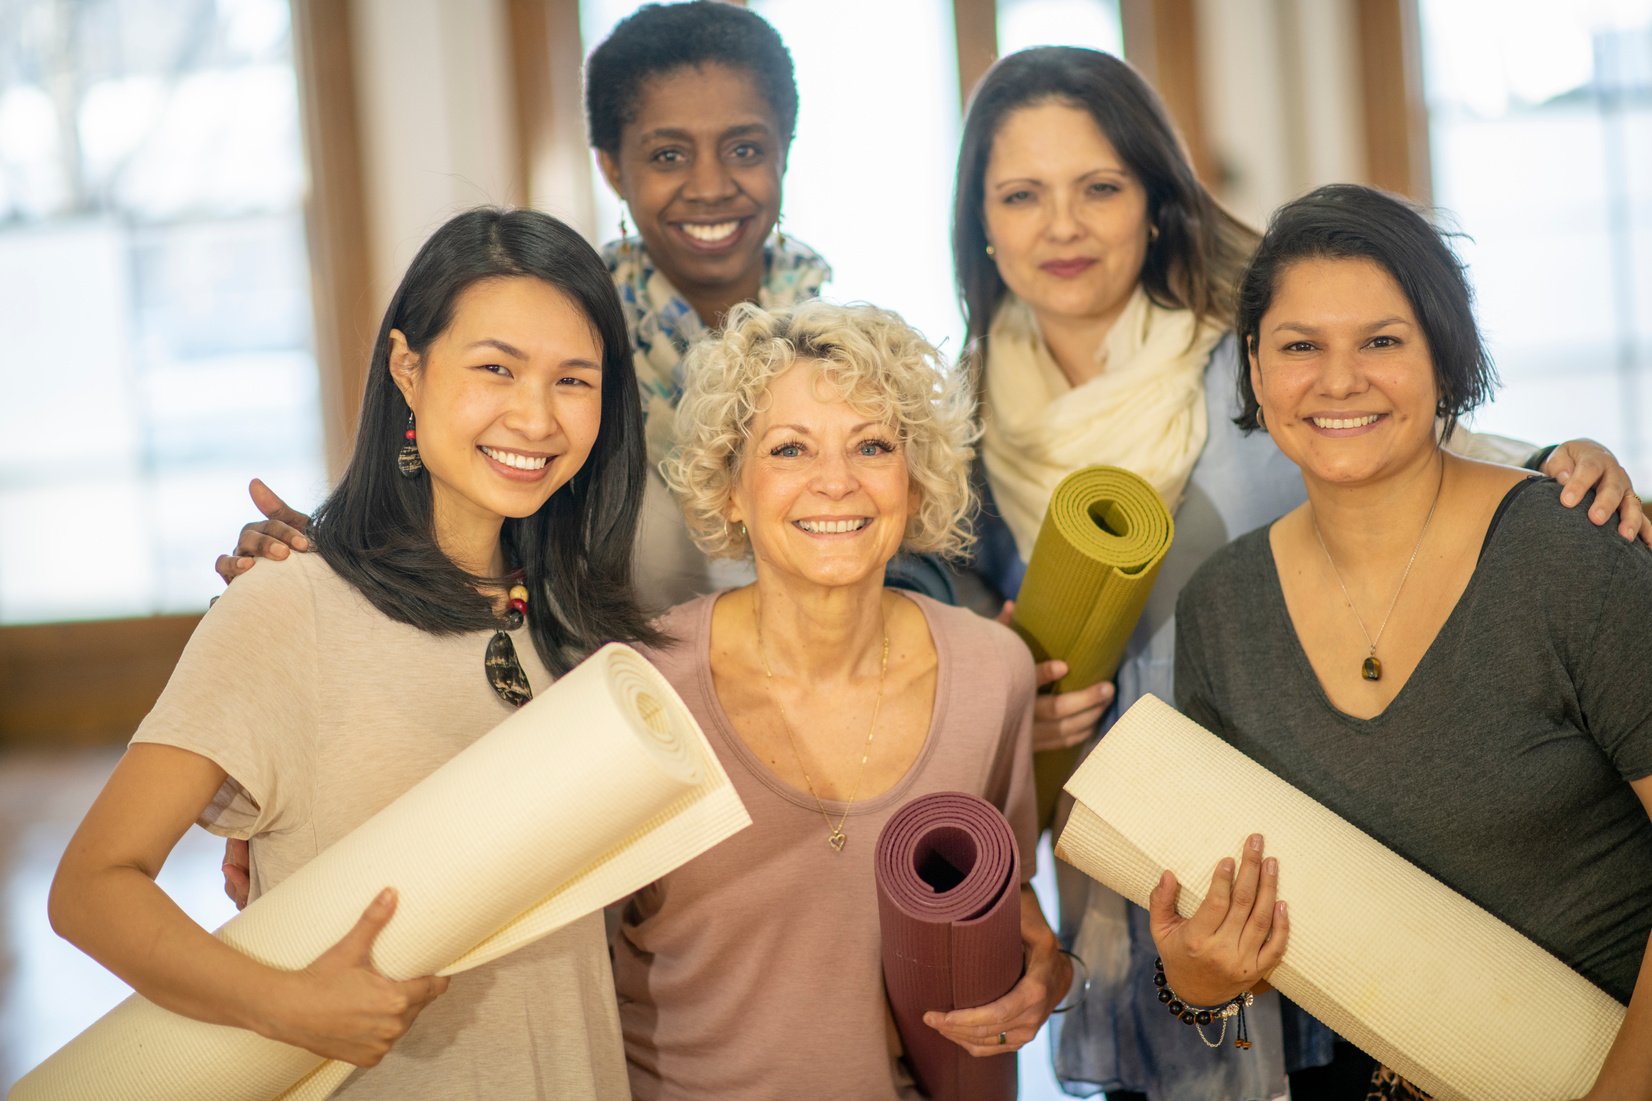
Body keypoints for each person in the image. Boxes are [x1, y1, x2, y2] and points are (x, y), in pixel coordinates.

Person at [948, 45, 1651, 1100]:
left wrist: (1568, 466)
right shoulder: (952, 431)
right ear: (981, 224)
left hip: (1374, 878)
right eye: (1021, 194)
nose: (1062, 224)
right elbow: (934, 670)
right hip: (1153, 860)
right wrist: (1004, 696)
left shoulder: (1239, 363)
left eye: (1098, 185)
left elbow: (1409, 439)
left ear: (1155, 201)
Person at [47, 208, 655, 1099]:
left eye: (575, 379)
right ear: (408, 369)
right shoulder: (292, 603)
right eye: (496, 368)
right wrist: (284, 1003)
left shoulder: (572, 619)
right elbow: (91, 887)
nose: (536, 415)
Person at [1159, 183, 1652, 1100]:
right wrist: (1197, 979)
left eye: (1381, 341)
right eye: (1300, 346)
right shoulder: (1223, 608)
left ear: (1446, 361)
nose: (1338, 380)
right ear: (1258, 374)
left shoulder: (1570, 550)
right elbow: (1234, 940)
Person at [218, 0, 845, 611]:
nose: (710, 186)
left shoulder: (851, 356)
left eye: (744, 149)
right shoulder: (558, 340)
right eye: (668, 155)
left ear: (784, 152)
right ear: (612, 170)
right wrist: (321, 572)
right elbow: (448, 526)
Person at [618, 298, 1067, 1098]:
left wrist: (1046, 970)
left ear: (916, 475)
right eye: (790, 448)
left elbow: (1009, 903)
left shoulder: (992, 671)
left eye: (872, 445)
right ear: (729, 487)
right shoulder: (640, 687)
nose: (836, 481)